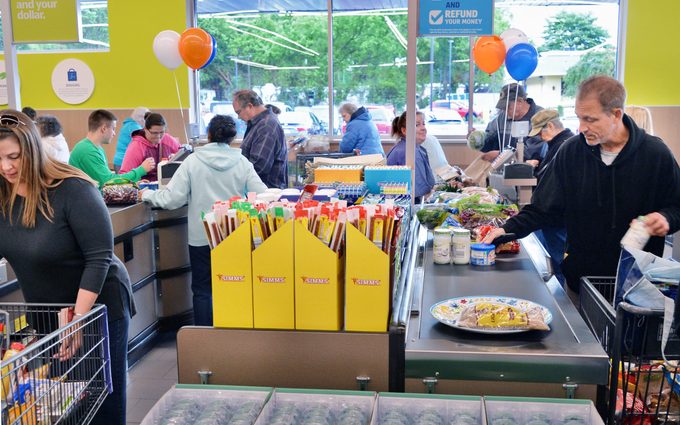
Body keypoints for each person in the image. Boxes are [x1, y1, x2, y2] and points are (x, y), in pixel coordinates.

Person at [482, 75, 680, 298]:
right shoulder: (571, 152)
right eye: (579, 118)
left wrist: (666, 218)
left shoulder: (655, 154)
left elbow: (676, 207)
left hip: (638, 288)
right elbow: (542, 208)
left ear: (616, 114)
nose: (582, 127)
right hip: (581, 284)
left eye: (590, 119)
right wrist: (506, 229)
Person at [0, 109, 135, 425]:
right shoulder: (2, 196)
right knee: (60, 406)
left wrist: (76, 320)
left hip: (97, 308)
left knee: (100, 405)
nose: (5, 166)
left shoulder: (71, 188)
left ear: (32, 149)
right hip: (48, 317)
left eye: (14, 157)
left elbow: (99, 257)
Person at [141, 115, 267, 326]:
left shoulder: (192, 162)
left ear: (209, 135)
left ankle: (204, 339)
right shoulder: (242, 162)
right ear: (233, 136)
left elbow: (172, 199)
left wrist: (146, 194)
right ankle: (235, 331)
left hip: (201, 236)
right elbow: (261, 194)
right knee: (236, 284)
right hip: (233, 235)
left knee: (202, 290)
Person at [525, 109, 575, 286]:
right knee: (548, 258)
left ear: (551, 125)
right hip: (548, 218)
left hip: (557, 219)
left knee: (558, 263)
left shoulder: (566, 146)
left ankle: (561, 299)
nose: (540, 137)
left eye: (541, 132)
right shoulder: (555, 145)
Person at [70, 110, 154, 188]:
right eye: (113, 129)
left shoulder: (96, 148)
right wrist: (141, 170)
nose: (114, 133)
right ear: (104, 129)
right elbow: (108, 182)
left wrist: (131, 184)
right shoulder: (87, 151)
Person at [232, 89, 288, 188]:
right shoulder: (258, 124)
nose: (238, 117)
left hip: (266, 193)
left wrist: (233, 177)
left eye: (238, 112)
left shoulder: (266, 126)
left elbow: (259, 167)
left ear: (250, 106)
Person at [480, 83, 543, 162]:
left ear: (520, 101)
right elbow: (488, 141)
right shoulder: (502, 118)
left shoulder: (540, 117)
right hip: (504, 170)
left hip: (531, 171)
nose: (504, 111)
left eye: (507, 106)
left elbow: (531, 152)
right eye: (503, 107)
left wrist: (500, 155)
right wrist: (477, 140)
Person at [386, 111, 435, 203]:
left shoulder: (412, 148)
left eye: (423, 124)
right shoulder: (409, 153)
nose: (423, 128)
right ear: (404, 131)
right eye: (417, 125)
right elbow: (419, 192)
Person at [119, 113, 181, 181]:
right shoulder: (136, 147)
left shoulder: (168, 139)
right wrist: (140, 173)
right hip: (144, 188)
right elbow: (124, 177)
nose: (158, 136)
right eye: (154, 133)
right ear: (145, 129)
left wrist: (176, 158)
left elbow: (184, 154)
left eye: (162, 132)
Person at [113, 106, 148, 173]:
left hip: (118, 161)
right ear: (142, 119)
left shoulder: (127, 125)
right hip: (124, 162)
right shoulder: (135, 128)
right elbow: (144, 143)